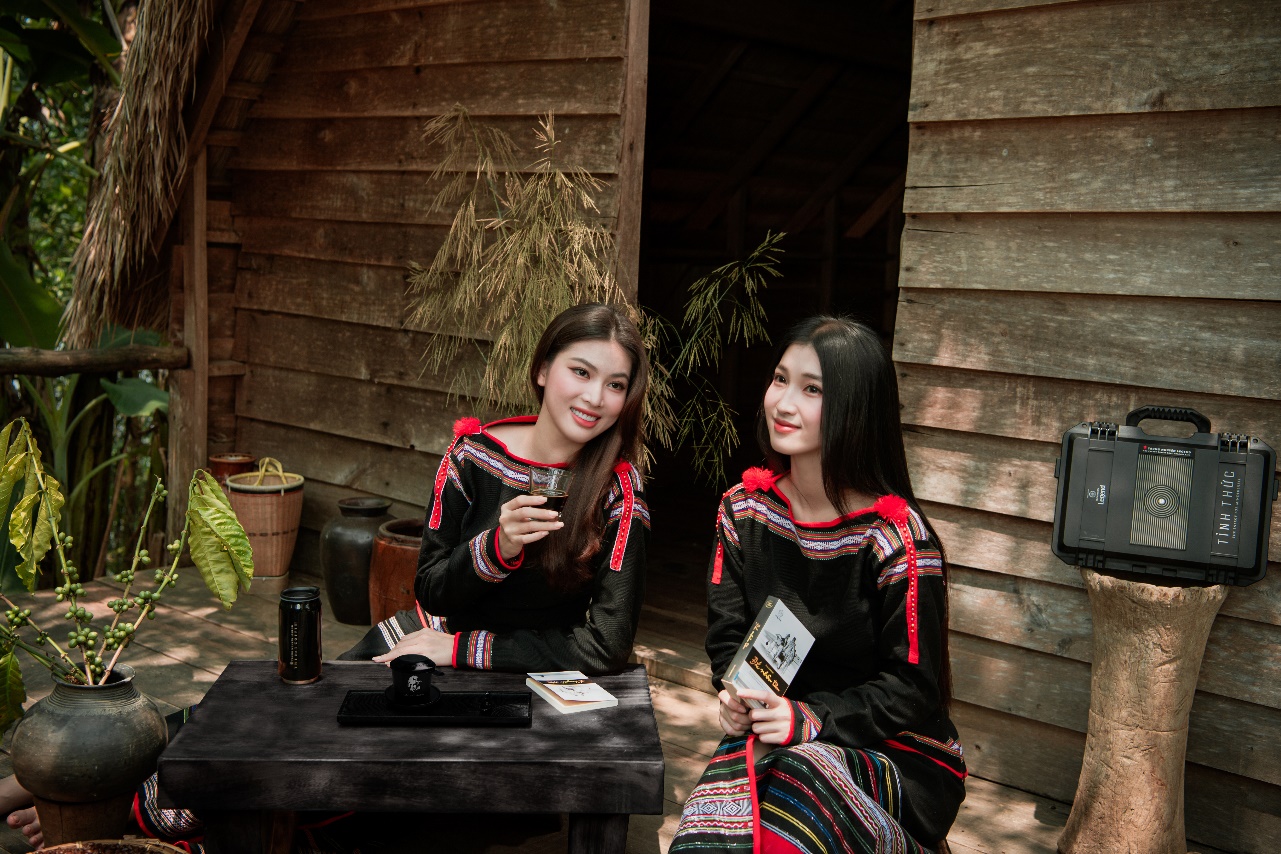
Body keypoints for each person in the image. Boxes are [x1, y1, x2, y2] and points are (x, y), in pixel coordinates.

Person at [670, 317, 966, 854]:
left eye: (812, 389)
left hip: (895, 750)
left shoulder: (896, 539)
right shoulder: (745, 509)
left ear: (857, 408)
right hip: (778, 733)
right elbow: (729, 636)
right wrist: (736, 695)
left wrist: (805, 719)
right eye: (780, 379)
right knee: (710, 833)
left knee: (789, 805)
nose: (784, 402)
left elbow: (913, 691)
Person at [340, 301, 651, 673]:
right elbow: (430, 590)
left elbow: (607, 645)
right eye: (581, 372)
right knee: (328, 699)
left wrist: (463, 650)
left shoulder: (618, 491)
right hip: (433, 634)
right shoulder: (472, 454)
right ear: (542, 370)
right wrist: (497, 546)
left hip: (532, 663)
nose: (595, 397)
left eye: (615, 384)